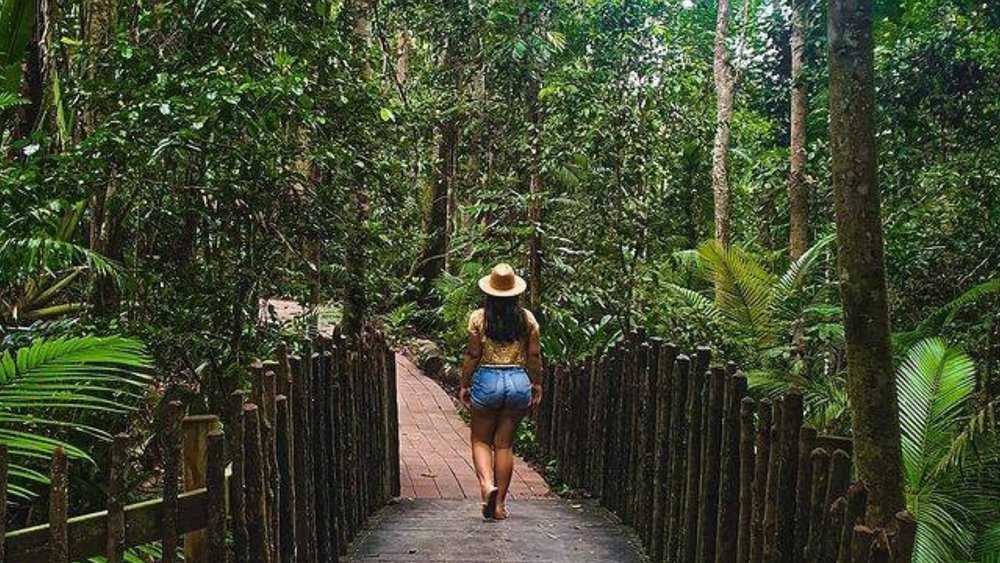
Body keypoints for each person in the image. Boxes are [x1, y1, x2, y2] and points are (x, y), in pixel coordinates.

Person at [459, 263, 543, 520]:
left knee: (481, 440)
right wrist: (536, 382)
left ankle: (487, 486)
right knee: (504, 444)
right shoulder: (527, 319)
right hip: (518, 381)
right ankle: (500, 506)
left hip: (487, 378)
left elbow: (473, 355)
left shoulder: (478, 318)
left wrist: (464, 383)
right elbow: (533, 354)